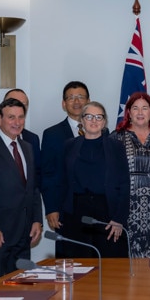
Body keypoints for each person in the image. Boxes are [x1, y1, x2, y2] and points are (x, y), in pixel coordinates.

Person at [0, 98, 43, 283]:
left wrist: (37, 219)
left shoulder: (27, 147)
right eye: (11, 117)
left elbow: (32, 187)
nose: (17, 122)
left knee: (21, 285)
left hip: (24, 232)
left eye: (21, 117)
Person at [58, 102, 130, 257]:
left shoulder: (116, 147)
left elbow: (125, 184)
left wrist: (119, 219)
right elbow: (62, 181)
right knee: (78, 263)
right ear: (82, 121)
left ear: (104, 122)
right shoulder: (69, 145)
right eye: (89, 116)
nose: (94, 120)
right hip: (75, 213)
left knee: (109, 265)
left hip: (107, 212)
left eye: (99, 117)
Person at [110, 92, 150, 258]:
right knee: (127, 262)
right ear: (129, 113)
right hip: (126, 207)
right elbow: (109, 177)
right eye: (135, 108)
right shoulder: (115, 138)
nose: (140, 112)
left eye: (145, 108)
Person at [41, 81, 90, 257]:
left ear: (88, 101)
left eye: (81, 97)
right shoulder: (51, 134)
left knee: (97, 261)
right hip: (64, 209)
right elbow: (48, 175)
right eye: (71, 98)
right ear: (64, 104)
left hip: (95, 210)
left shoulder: (103, 132)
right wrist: (51, 208)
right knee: (67, 259)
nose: (76, 102)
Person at [0, 89, 41, 186]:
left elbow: (36, 176)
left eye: (23, 104)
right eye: (12, 102)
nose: (17, 106)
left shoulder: (32, 139)